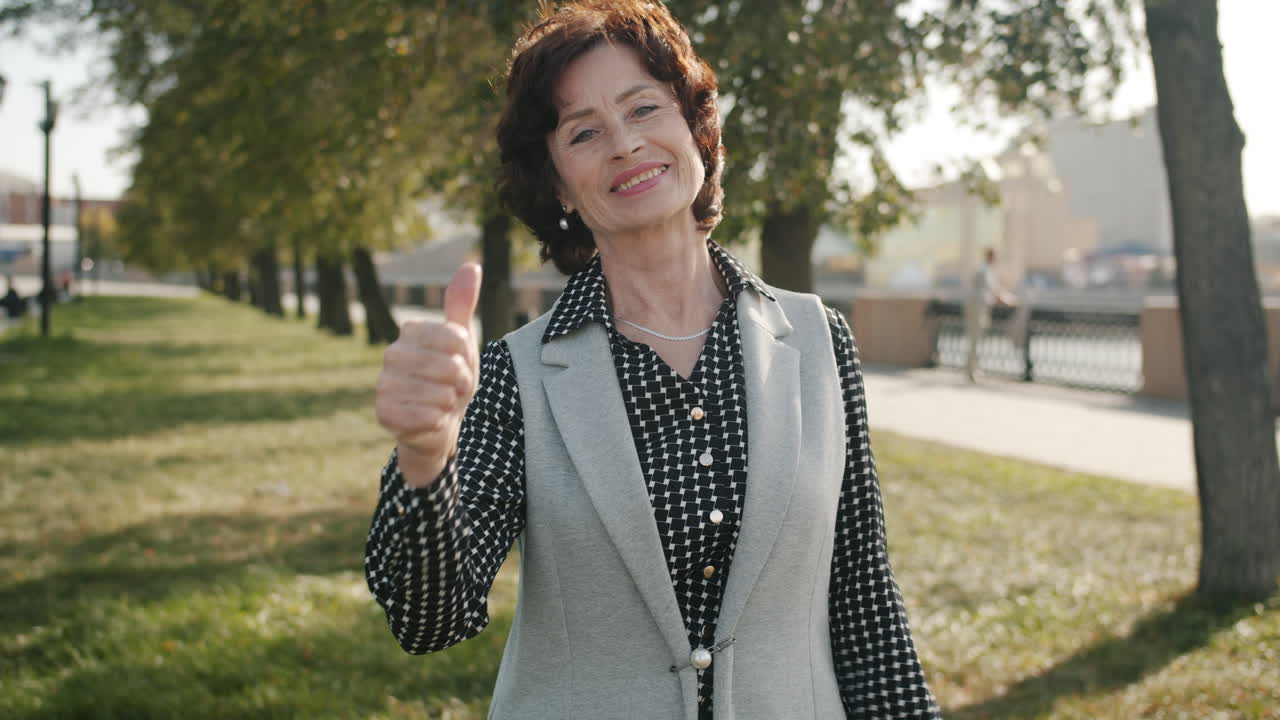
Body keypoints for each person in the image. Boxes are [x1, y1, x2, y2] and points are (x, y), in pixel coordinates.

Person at [364, 2, 940, 718]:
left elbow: (864, 604)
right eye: (583, 132)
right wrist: (425, 458)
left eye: (644, 108)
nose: (625, 144)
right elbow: (430, 621)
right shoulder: (517, 375)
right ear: (557, 185)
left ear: (698, 130)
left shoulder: (820, 339)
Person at [964, 247, 1017, 383]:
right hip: (978, 308)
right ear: (991, 257)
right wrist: (1009, 300)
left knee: (975, 339)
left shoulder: (985, 270)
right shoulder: (985, 271)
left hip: (978, 308)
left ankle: (973, 368)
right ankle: (972, 370)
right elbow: (994, 291)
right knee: (975, 339)